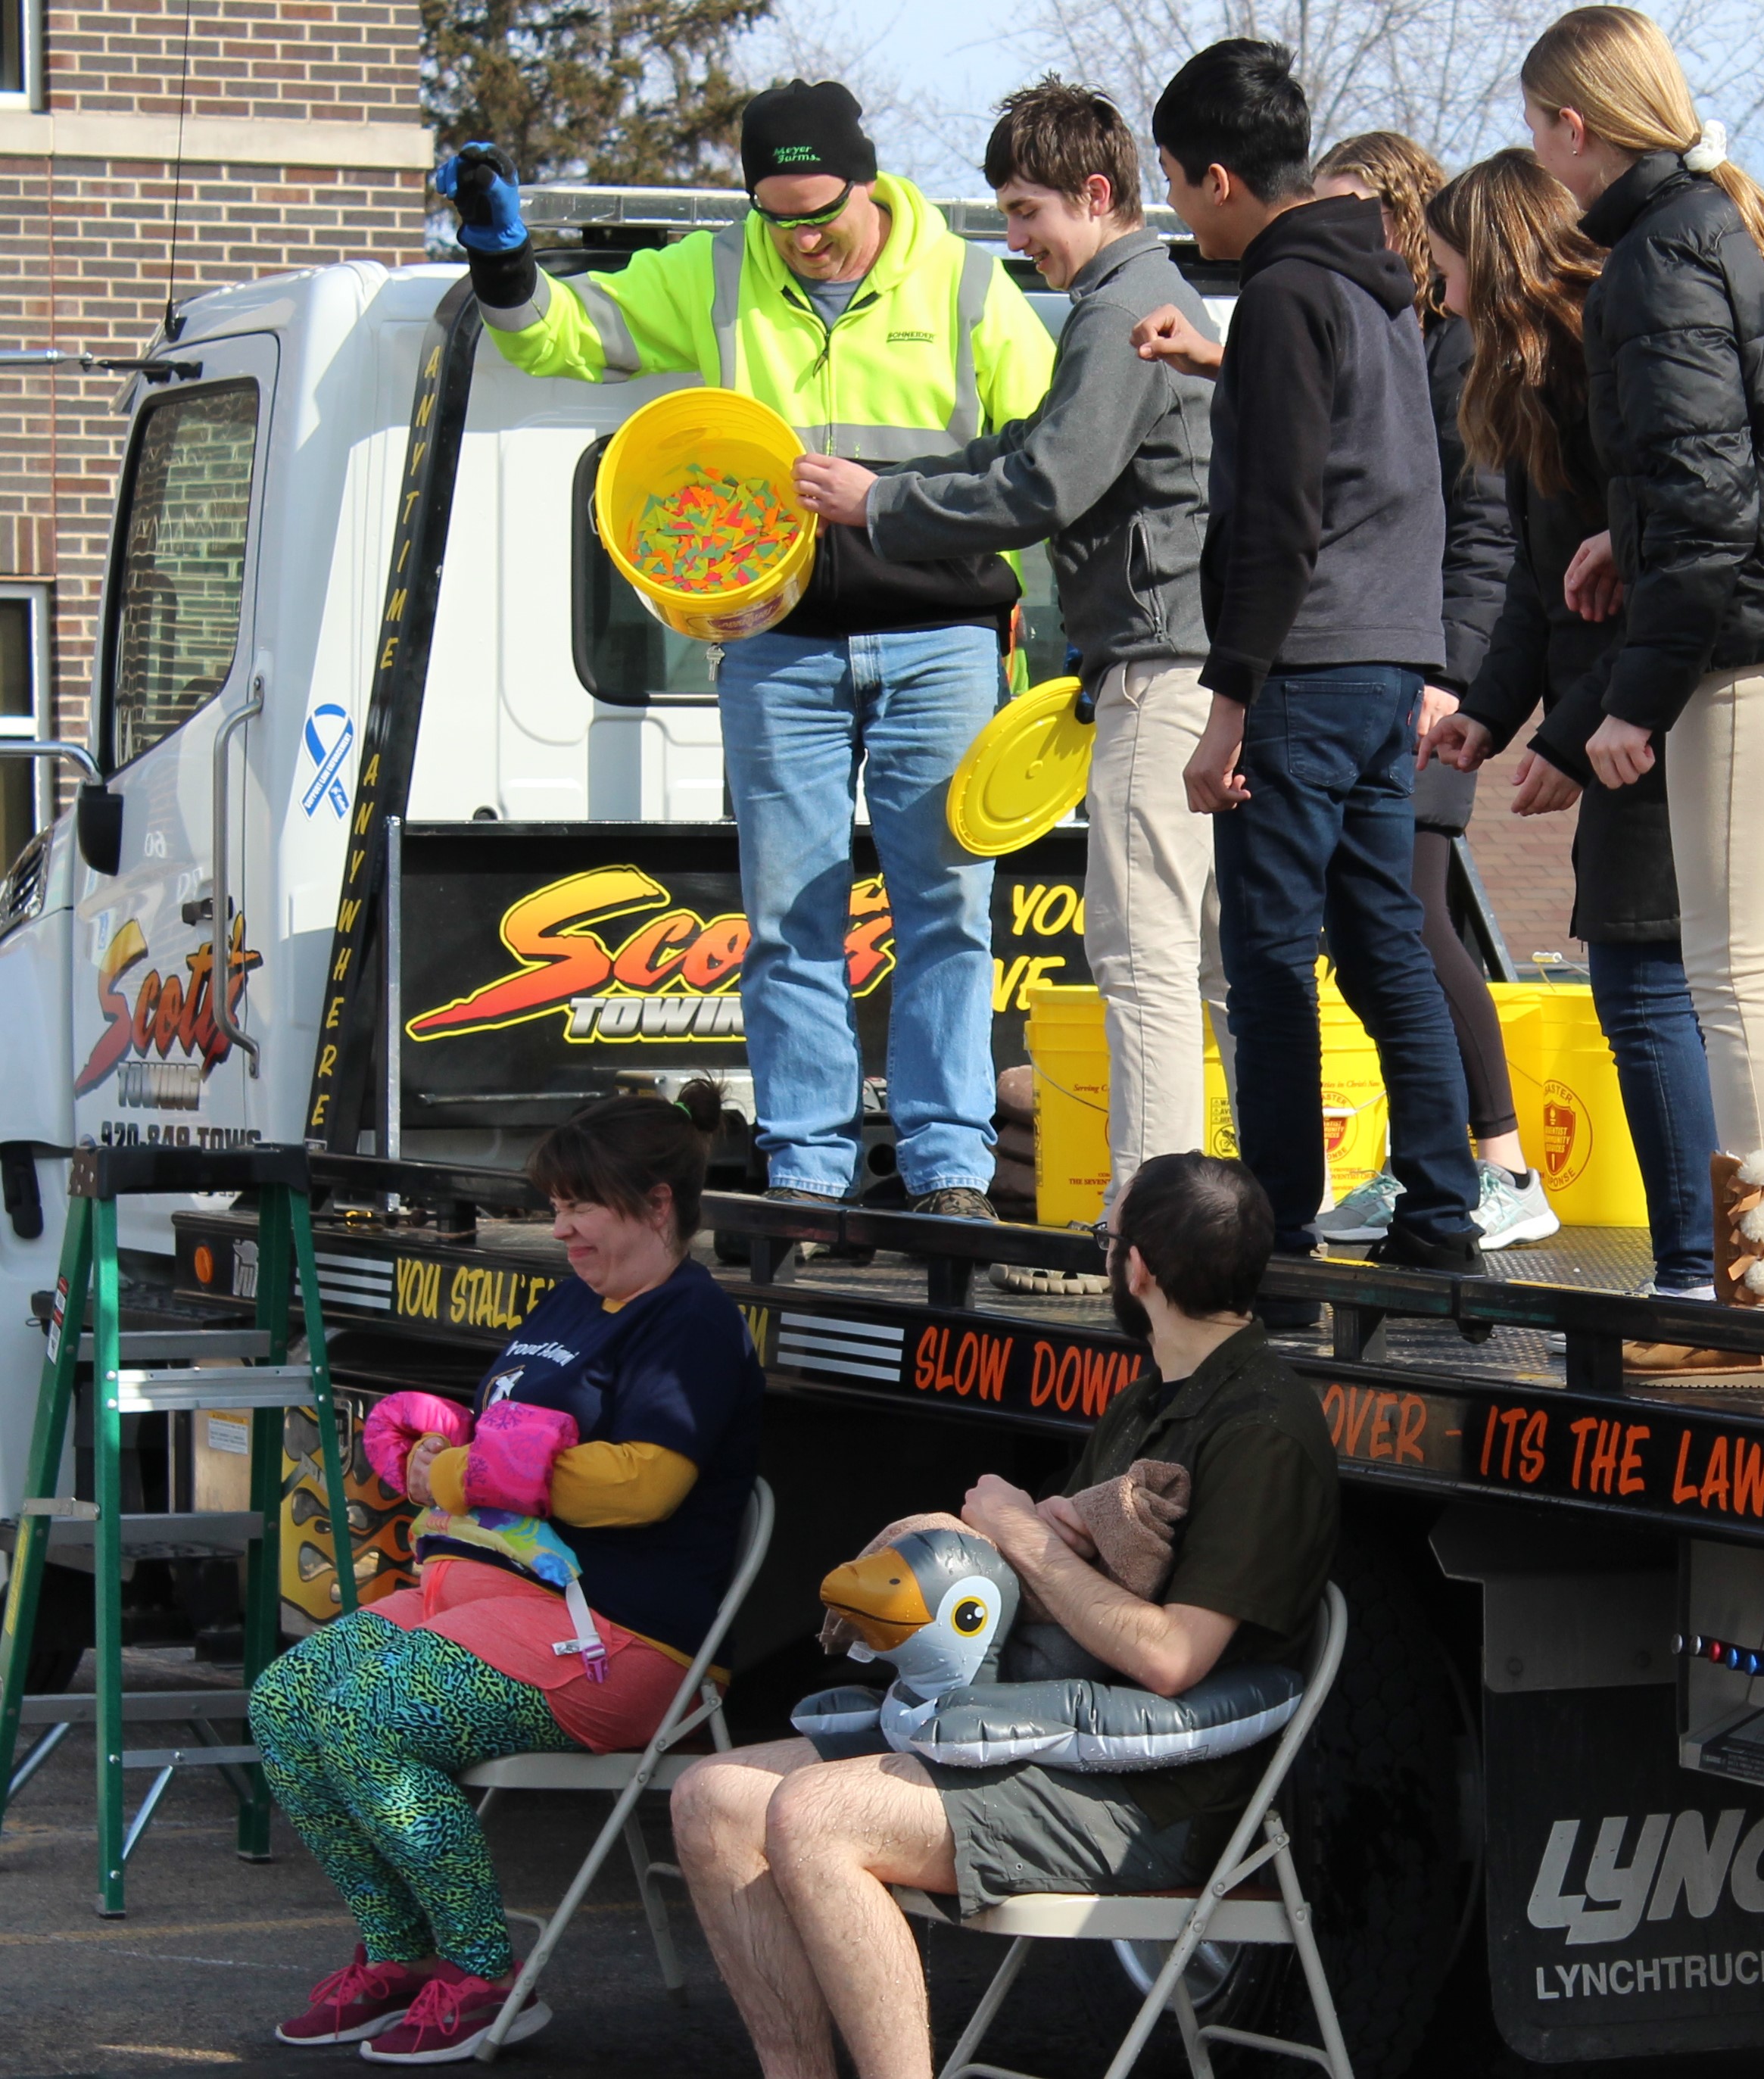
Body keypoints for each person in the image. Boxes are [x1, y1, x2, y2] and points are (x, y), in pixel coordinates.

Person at [435, 84, 1055, 1239]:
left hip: (945, 640)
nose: (803, 238)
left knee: (946, 913)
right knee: (789, 917)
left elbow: (1048, 454)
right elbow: (565, 336)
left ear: (868, 181)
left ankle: (947, 1162)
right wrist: (503, 259)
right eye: (777, 217)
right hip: (776, 646)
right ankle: (811, 1167)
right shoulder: (716, 273)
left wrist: (899, 505)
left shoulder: (969, 282)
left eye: (820, 212)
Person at [669, 1151, 1338, 2079]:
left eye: (1108, 1242)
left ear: (1137, 1268)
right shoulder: (1156, 1393)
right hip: (1052, 1735)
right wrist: (996, 1536)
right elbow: (1063, 1582)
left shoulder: (1261, 1427)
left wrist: (1025, 1536)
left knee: (816, 1818)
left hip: (1161, 1799)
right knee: (712, 1800)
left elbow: (1174, 1658)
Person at [791, 78, 1231, 1276]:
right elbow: (1027, 448)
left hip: (1163, 665)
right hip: (1195, 663)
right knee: (1213, 961)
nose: (1016, 237)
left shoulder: (1118, 305)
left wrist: (879, 505)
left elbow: (1048, 486)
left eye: (1028, 210)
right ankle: (1228, 1219)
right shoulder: (1128, 299)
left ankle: (1141, 1233)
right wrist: (905, 484)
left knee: (1142, 958)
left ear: (1098, 194)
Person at [1519, 7, 1764, 1335]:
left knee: (1731, 976)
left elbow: (1702, 498)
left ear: (1574, 126)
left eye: (1536, 128)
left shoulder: (1652, 261)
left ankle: (1762, 1304)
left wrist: (1632, 696)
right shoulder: (1755, 222)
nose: (1538, 154)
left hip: (1750, 655)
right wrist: (1618, 542)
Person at [250, 1088, 765, 2062]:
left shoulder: (690, 1319)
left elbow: (641, 1487)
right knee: (286, 1699)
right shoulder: (578, 1292)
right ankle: (401, 1956)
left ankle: (485, 1976)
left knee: (366, 1715)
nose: (560, 1224)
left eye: (582, 1204)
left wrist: (462, 1469)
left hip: (625, 1633)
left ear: (658, 1205)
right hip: (504, 1592)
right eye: (556, 1203)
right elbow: (511, 1429)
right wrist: (461, 1445)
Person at [1131, 39, 1487, 1320]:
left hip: (1306, 660)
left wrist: (1225, 710)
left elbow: (1274, 517)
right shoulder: (1381, 287)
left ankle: (1274, 1225)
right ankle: (1441, 1207)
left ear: (1216, 176)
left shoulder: (1284, 295)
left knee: (1271, 956)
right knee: (1381, 933)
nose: (1175, 208)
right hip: (1386, 657)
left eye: (1171, 183)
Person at [1420, 151, 1738, 1351]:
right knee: (1645, 986)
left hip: (1652, 716)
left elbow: (1652, 593)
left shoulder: (1594, 377)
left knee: (1651, 987)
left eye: (1447, 270)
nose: (1442, 298)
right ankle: (1700, 1262)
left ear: (1493, 260)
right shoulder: (1533, 387)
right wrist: (1489, 716)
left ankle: (1698, 1272)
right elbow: (1542, 600)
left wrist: (1564, 731)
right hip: (1609, 711)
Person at [1307, 132, 1557, 1253]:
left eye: (1355, 210)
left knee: (1401, 921)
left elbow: (1489, 532)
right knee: (1379, 927)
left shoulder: (1458, 351)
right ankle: (1438, 1165)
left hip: (1428, 682)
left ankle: (1499, 1167)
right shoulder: (1387, 337)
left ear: (1410, 216)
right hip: (1376, 674)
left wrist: (1451, 677)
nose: (1336, 232)